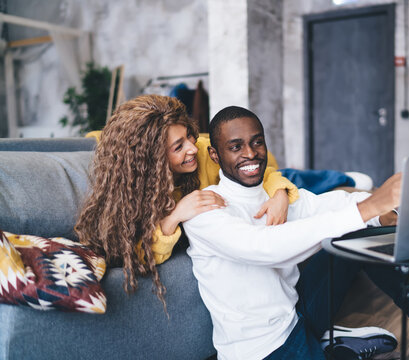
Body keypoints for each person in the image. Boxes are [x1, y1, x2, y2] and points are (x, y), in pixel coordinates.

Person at [183, 106, 409, 360]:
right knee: (354, 218)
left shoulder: (276, 193)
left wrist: (384, 215)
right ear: (215, 154)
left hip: (296, 316)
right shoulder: (204, 213)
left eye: (257, 142)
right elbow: (264, 247)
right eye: (235, 147)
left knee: (358, 231)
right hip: (262, 349)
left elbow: (331, 203)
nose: (251, 154)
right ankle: (332, 344)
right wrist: (366, 208)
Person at [74, 95, 298, 310]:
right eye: (178, 147)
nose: (192, 147)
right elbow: (137, 254)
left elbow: (258, 165)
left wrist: (279, 192)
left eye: (189, 136)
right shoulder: (131, 191)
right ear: (152, 159)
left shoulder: (203, 151)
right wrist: (174, 217)